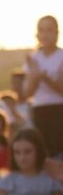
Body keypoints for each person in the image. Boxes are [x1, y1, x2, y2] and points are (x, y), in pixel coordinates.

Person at [24, 15, 63, 158]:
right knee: (43, 151)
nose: (45, 34)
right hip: (39, 110)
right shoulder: (33, 58)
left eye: (49, 30)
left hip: (59, 110)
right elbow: (27, 93)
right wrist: (35, 77)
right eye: (42, 30)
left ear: (57, 33)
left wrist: (44, 77)